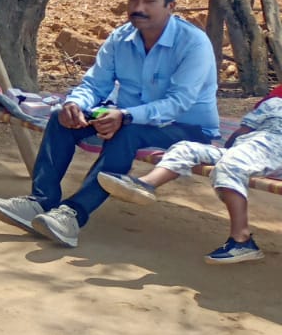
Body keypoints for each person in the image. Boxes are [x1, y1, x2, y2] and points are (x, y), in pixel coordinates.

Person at [0, 0, 219, 249]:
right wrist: (75, 105)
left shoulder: (193, 43)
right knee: (61, 118)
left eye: (149, 1)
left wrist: (125, 116)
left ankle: (73, 214)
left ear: (171, 6)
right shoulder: (121, 38)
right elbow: (95, 85)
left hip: (187, 127)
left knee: (127, 132)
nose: (138, 8)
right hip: (128, 117)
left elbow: (179, 102)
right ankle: (40, 201)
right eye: (133, 0)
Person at [100, 86, 282, 264]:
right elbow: (242, 132)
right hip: (248, 150)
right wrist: (227, 151)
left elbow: (242, 132)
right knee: (185, 148)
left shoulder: (272, 103)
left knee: (230, 165)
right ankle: (145, 184)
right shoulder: (273, 103)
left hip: (267, 149)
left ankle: (242, 240)